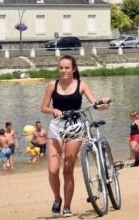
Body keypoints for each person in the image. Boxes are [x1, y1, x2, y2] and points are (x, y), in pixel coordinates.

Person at [41, 55, 110, 217]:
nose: (63, 71)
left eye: (67, 68)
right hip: (56, 128)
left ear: (73, 69)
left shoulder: (81, 85)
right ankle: (57, 198)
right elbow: (43, 107)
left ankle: (66, 206)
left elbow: (95, 104)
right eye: (61, 68)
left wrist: (103, 105)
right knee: (53, 170)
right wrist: (53, 110)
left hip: (75, 128)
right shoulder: (53, 85)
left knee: (67, 169)